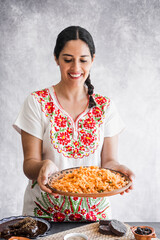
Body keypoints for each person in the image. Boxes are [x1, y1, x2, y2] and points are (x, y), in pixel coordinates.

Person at [13, 26, 135, 222]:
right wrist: (43, 165)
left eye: (83, 60)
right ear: (56, 58)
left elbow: (109, 162)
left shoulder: (105, 107)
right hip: (44, 215)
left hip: (95, 218)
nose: (76, 68)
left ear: (93, 60)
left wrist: (119, 169)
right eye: (68, 60)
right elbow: (29, 164)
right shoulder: (37, 102)